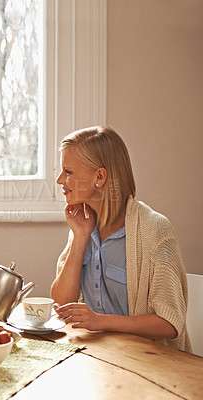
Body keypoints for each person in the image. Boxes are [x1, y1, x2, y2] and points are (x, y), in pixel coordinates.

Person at [51, 126, 191, 352]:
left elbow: (170, 322)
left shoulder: (155, 230)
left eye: (68, 172)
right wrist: (80, 237)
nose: (60, 180)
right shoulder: (84, 226)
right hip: (96, 356)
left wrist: (99, 321)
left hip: (150, 361)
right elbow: (61, 303)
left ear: (99, 176)